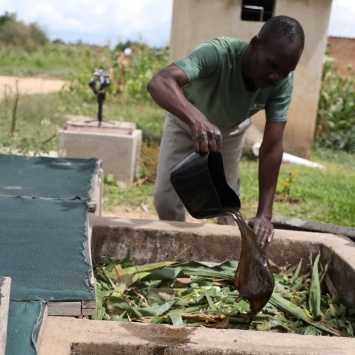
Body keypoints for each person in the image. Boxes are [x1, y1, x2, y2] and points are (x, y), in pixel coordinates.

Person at [146, 15, 305, 247]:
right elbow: (160, 82)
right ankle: (177, 250)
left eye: (285, 71)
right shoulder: (218, 54)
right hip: (185, 121)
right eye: (271, 65)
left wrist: (265, 215)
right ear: (255, 44)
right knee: (165, 200)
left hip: (230, 132)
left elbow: (272, 147)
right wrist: (196, 119)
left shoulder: (281, 83)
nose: (275, 77)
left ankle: (226, 253)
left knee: (227, 204)